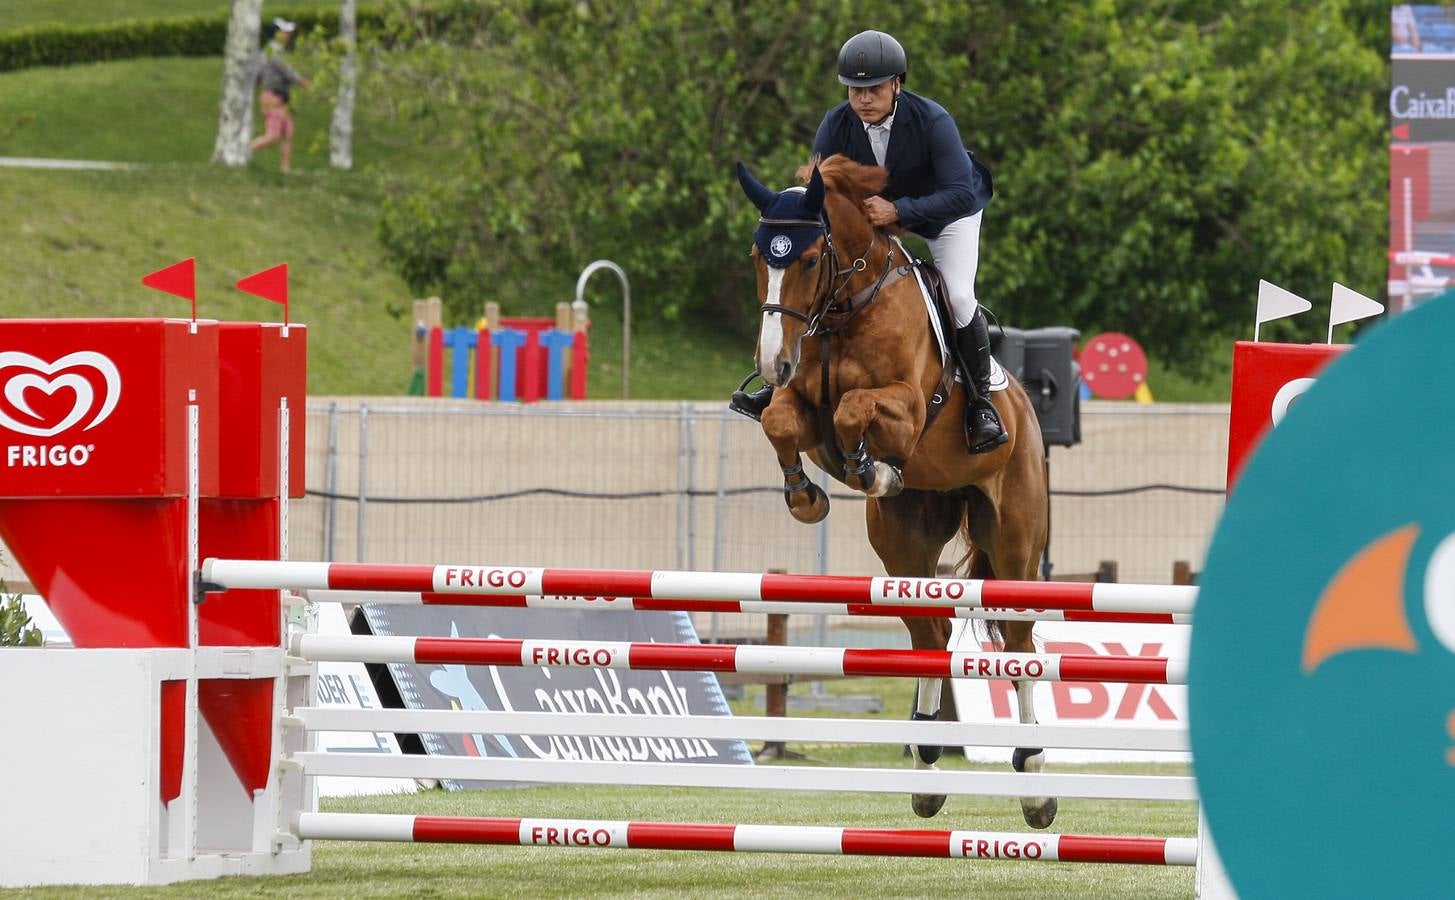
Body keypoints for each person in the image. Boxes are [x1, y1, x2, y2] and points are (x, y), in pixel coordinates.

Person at [730, 30, 1005, 453]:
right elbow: (820, 191)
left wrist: (900, 211)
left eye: (874, 88)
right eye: (855, 89)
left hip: (947, 214)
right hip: (878, 217)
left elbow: (962, 193)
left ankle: (980, 403)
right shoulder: (835, 123)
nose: (863, 98)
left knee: (959, 296)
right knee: (825, 278)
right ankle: (783, 386)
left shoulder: (933, 121)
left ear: (897, 84)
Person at [250, 18, 311, 174]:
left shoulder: (271, 51)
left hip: (281, 99)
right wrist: (302, 82)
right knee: (273, 136)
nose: (288, 35)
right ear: (276, 33)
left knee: (288, 132)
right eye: (284, 31)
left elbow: (257, 75)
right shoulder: (273, 51)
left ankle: (285, 169)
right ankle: (241, 152)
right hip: (272, 97)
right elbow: (286, 71)